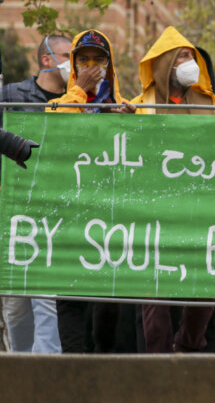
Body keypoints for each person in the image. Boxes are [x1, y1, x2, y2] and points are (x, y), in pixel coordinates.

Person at [131, 27, 215, 353]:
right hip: (154, 216)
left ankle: (186, 347)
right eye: (183, 56)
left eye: (191, 56)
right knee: (155, 308)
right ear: (166, 63)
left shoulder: (211, 103)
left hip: (200, 214)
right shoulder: (138, 106)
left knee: (204, 296)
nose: (190, 62)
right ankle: (158, 369)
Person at [48, 29, 134, 353]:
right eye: (83, 60)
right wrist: (80, 92)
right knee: (70, 301)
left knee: (108, 304)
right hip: (69, 218)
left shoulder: (124, 107)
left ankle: (103, 367)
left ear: (109, 66)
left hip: (112, 219)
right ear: (73, 65)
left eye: (98, 60)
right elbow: (52, 131)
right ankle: (73, 371)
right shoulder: (60, 104)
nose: (91, 66)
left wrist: (129, 122)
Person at [0, 34, 69, 353]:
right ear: (46, 59)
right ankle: (18, 371)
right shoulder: (10, 95)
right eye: (68, 55)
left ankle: (42, 382)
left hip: (55, 217)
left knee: (47, 303)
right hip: (14, 216)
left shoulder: (78, 102)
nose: (75, 64)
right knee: (15, 308)